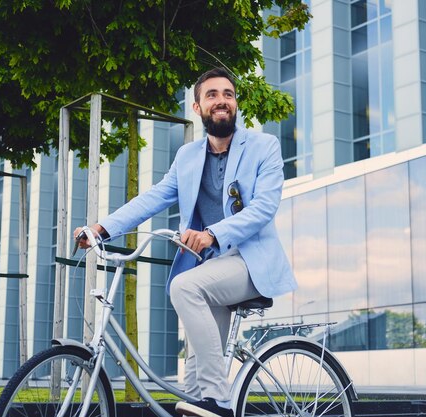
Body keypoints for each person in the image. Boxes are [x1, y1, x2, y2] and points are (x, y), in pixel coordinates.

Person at [74, 67, 296, 417]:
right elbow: (152, 198)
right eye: (212, 95)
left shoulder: (263, 146)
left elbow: (264, 208)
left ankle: (221, 402)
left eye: (228, 94)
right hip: (211, 269)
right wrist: (102, 228)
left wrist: (213, 234)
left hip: (250, 262)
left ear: (235, 103)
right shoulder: (187, 157)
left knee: (183, 288)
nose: (221, 100)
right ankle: (210, 401)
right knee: (193, 388)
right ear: (197, 107)